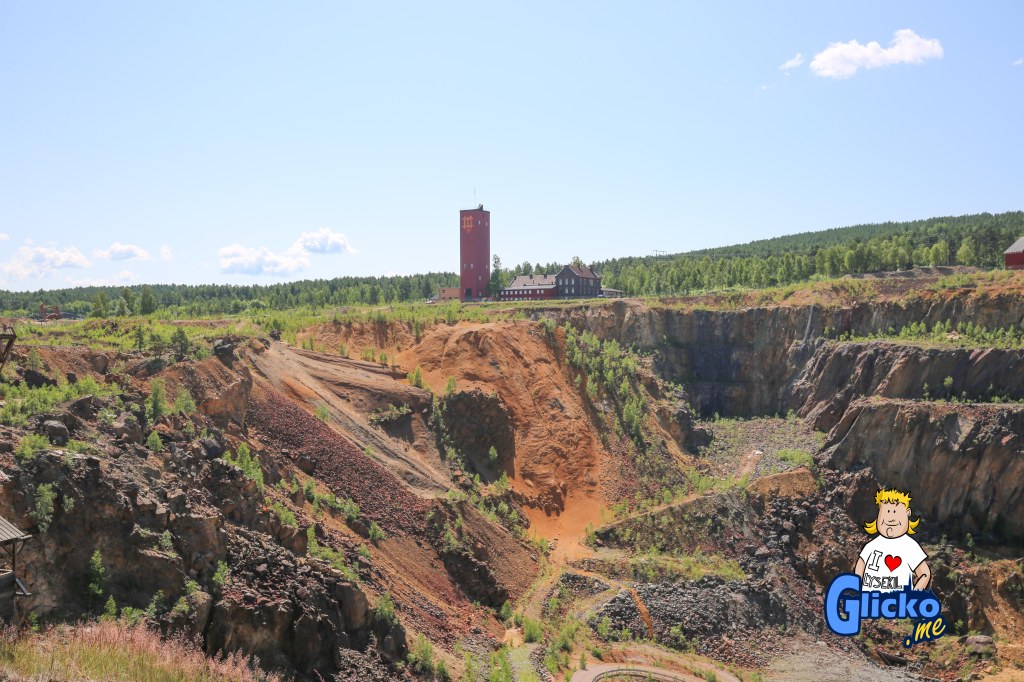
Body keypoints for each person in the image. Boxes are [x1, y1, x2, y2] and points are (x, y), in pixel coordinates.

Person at [854, 488, 931, 591]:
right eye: (887, 512)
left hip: (897, 604)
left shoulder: (909, 546)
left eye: (895, 512)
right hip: (870, 603)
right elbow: (861, 564)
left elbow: (925, 574)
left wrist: (914, 596)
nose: (890, 518)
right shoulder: (872, 545)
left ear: (907, 512)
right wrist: (858, 587)